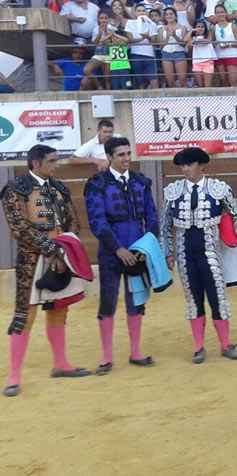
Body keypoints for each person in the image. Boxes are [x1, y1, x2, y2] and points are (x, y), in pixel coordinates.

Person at [1, 145, 92, 397]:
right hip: (32, 259)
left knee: (59, 309)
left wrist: (63, 250)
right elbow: (17, 227)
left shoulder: (59, 188)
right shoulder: (16, 188)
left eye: (56, 160)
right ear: (35, 163)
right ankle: (14, 375)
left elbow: (73, 222)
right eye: (51, 161)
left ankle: (60, 364)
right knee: (24, 315)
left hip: (60, 256)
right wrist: (52, 248)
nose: (56, 165)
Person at [161, 147, 237, 363]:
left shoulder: (218, 189)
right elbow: (164, 226)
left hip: (210, 251)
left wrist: (224, 231)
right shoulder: (173, 191)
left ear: (201, 165)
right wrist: (168, 252)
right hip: (185, 253)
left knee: (217, 298)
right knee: (193, 300)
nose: (185, 169)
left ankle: (225, 345)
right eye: (182, 165)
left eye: (189, 164)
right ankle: (199, 348)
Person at [84, 137, 160, 375]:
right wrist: (118, 249)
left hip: (138, 249)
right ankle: (107, 357)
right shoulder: (97, 184)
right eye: (121, 155)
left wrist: (143, 248)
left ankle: (135, 352)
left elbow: (153, 218)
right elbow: (97, 221)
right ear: (109, 157)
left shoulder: (140, 182)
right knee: (108, 299)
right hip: (110, 251)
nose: (127, 158)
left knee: (136, 298)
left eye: (128, 153)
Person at [125, 4, 160, 89]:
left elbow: (155, 42)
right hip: (135, 55)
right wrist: (142, 38)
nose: (141, 13)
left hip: (149, 56)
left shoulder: (152, 24)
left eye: (143, 11)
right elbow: (129, 39)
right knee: (140, 83)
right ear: (135, 12)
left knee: (154, 81)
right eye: (139, 11)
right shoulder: (130, 23)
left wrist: (147, 37)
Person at [158, 7, 189, 88]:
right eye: (167, 14)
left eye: (171, 14)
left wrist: (175, 36)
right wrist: (167, 37)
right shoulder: (161, 29)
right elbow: (161, 46)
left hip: (179, 54)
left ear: (175, 16)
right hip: (166, 55)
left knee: (182, 79)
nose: (169, 16)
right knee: (170, 81)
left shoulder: (183, 27)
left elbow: (183, 44)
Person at [213, 4, 237, 87]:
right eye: (218, 12)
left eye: (222, 12)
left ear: (226, 13)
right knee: (224, 81)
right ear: (215, 14)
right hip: (219, 56)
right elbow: (211, 41)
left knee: (233, 80)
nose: (220, 14)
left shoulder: (232, 26)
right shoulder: (214, 27)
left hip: (231, 55)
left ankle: (236, 99)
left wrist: (229, 44)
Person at [186, 19, 217, 88]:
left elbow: (208, 40)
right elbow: (185, 40)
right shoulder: (192, 37)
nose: (200, 28)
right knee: (200, 85)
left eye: (202, 27)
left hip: (208, 61)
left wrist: (196, 40)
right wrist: (191, 31)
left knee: (207, 86)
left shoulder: (208, 34)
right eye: (198, 26)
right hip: (196, 62)